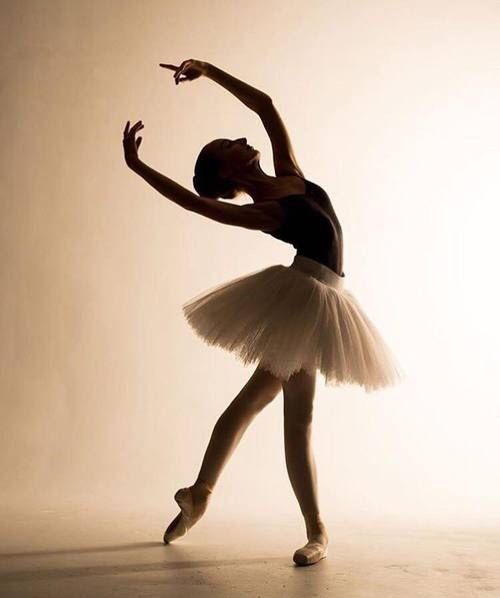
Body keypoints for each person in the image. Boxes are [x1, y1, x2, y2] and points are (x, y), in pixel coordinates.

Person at [122, 59, 404, 566]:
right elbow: (194, 204)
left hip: (322, 301)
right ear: (229, 169)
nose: (239, 138)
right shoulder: (264, 212)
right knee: (296, 419)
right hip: (306, 302)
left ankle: (201, 493)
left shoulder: (290, 175)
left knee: (255, 402)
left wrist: (208, 70)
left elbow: (266, 106)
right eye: (228, 145)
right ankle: (314, 530)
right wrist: (139, 167)